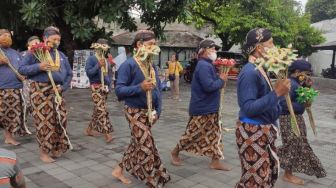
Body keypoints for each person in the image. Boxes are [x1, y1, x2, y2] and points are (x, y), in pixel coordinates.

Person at [112, 30, 170, 187]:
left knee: (137, 143)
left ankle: (118, 170)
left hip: (149, 112)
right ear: (139, 45)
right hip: (134, 111)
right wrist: (140, 87)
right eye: (150, 44)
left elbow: (157, 90)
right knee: (146, 146)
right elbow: (119, 91)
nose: (154, 48)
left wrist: (158, 111)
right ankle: (152, 180)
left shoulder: (151, 65)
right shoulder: (128, 65)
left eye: (154, 45)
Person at [235, 28, 291, 187]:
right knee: (255, 180)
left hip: (263, 130)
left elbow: (270, 100)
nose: (274, 47)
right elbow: (248, 107)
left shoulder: (260, 68)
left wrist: (280, 95)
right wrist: (276, 93)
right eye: (271, 43)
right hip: (252, 131)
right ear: (259, 48)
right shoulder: (250, 72)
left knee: (265, 176)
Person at [170, 39, 231, 171]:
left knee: (215, 135)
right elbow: (209, 86)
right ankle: (175, 152)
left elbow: (213, 84)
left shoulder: (208, 65)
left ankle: (215, 161)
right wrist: (221, 80)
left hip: (211, 107)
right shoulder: (203, 66)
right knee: (192, 134)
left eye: (215, 49)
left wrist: (220, 80)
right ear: (203, 51)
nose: (215, 51)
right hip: (203, 108)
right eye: (212, 49)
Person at [19, 26, 73, 163]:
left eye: (58, 39)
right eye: (54, 39)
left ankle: (55, 147)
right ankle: (44, 152)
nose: (56, 42)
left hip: (58, 92)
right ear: (45, 39)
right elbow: (22, 69)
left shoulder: (61, 55)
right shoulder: (35, 52)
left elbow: (69, 74)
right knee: (45, 122)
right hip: (40, 92)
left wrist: (64, 87)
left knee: (60, 120)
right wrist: (39, 67)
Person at [278, 60, 327, 185]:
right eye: (306, 73)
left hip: (296, 118)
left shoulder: (298, 84)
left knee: (297, 143)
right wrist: (302, 105)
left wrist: (307, 88)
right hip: (288, 119)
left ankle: (272, 157)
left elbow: (300, 99)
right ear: (297, 72)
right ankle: (287, 174)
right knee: (293, 144)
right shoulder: (291, 84)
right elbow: (282, 104)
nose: (307, 76)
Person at [0, 29, 31, 146]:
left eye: (8, 36)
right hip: (2, 88)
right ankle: (8, 136)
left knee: (13, 114)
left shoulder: (15, 53)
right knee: (5, 113)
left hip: (17, 88)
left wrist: (24, 75)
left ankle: (9, 136)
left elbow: (23, 67)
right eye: (4, 35)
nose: (7, 38)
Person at [85, 38, 113, 143]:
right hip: (95, 87)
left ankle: (89, 130)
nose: (104, 49)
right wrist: (98, 66)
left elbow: (108, 75)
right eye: (103, 46)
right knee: (102, 110)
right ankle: (107, 134)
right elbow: (89, 73)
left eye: (106, 47)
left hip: (104, 88)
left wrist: (109, 86)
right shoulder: (92, 59)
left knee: (98, 109)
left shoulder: (105, 59)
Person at [22, 36, 41, 116]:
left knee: (38, 103)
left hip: (40, 82)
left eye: (37, 42)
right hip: (27, 81)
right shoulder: (23, 54)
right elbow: (20, 68)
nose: (36, 44)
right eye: (33, 43)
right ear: (28, 45)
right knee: (26, 102)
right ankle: (23, 121)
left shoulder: (44, 53)